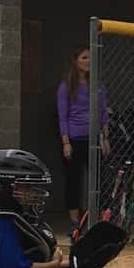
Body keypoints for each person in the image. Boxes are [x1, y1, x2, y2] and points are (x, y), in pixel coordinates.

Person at [57, 47, 110, 233]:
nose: (88, 61)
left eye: (90, 58)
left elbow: (103, 113)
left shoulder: (97, 85)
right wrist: (65, 142)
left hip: (94, 137)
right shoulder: (66, 86)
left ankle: (101, 215)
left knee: (101, 177)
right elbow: (62, 116)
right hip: (74, 138)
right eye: (84, 58)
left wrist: (105, 137)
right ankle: (74, 219)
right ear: (75, 61)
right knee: (74, 179)